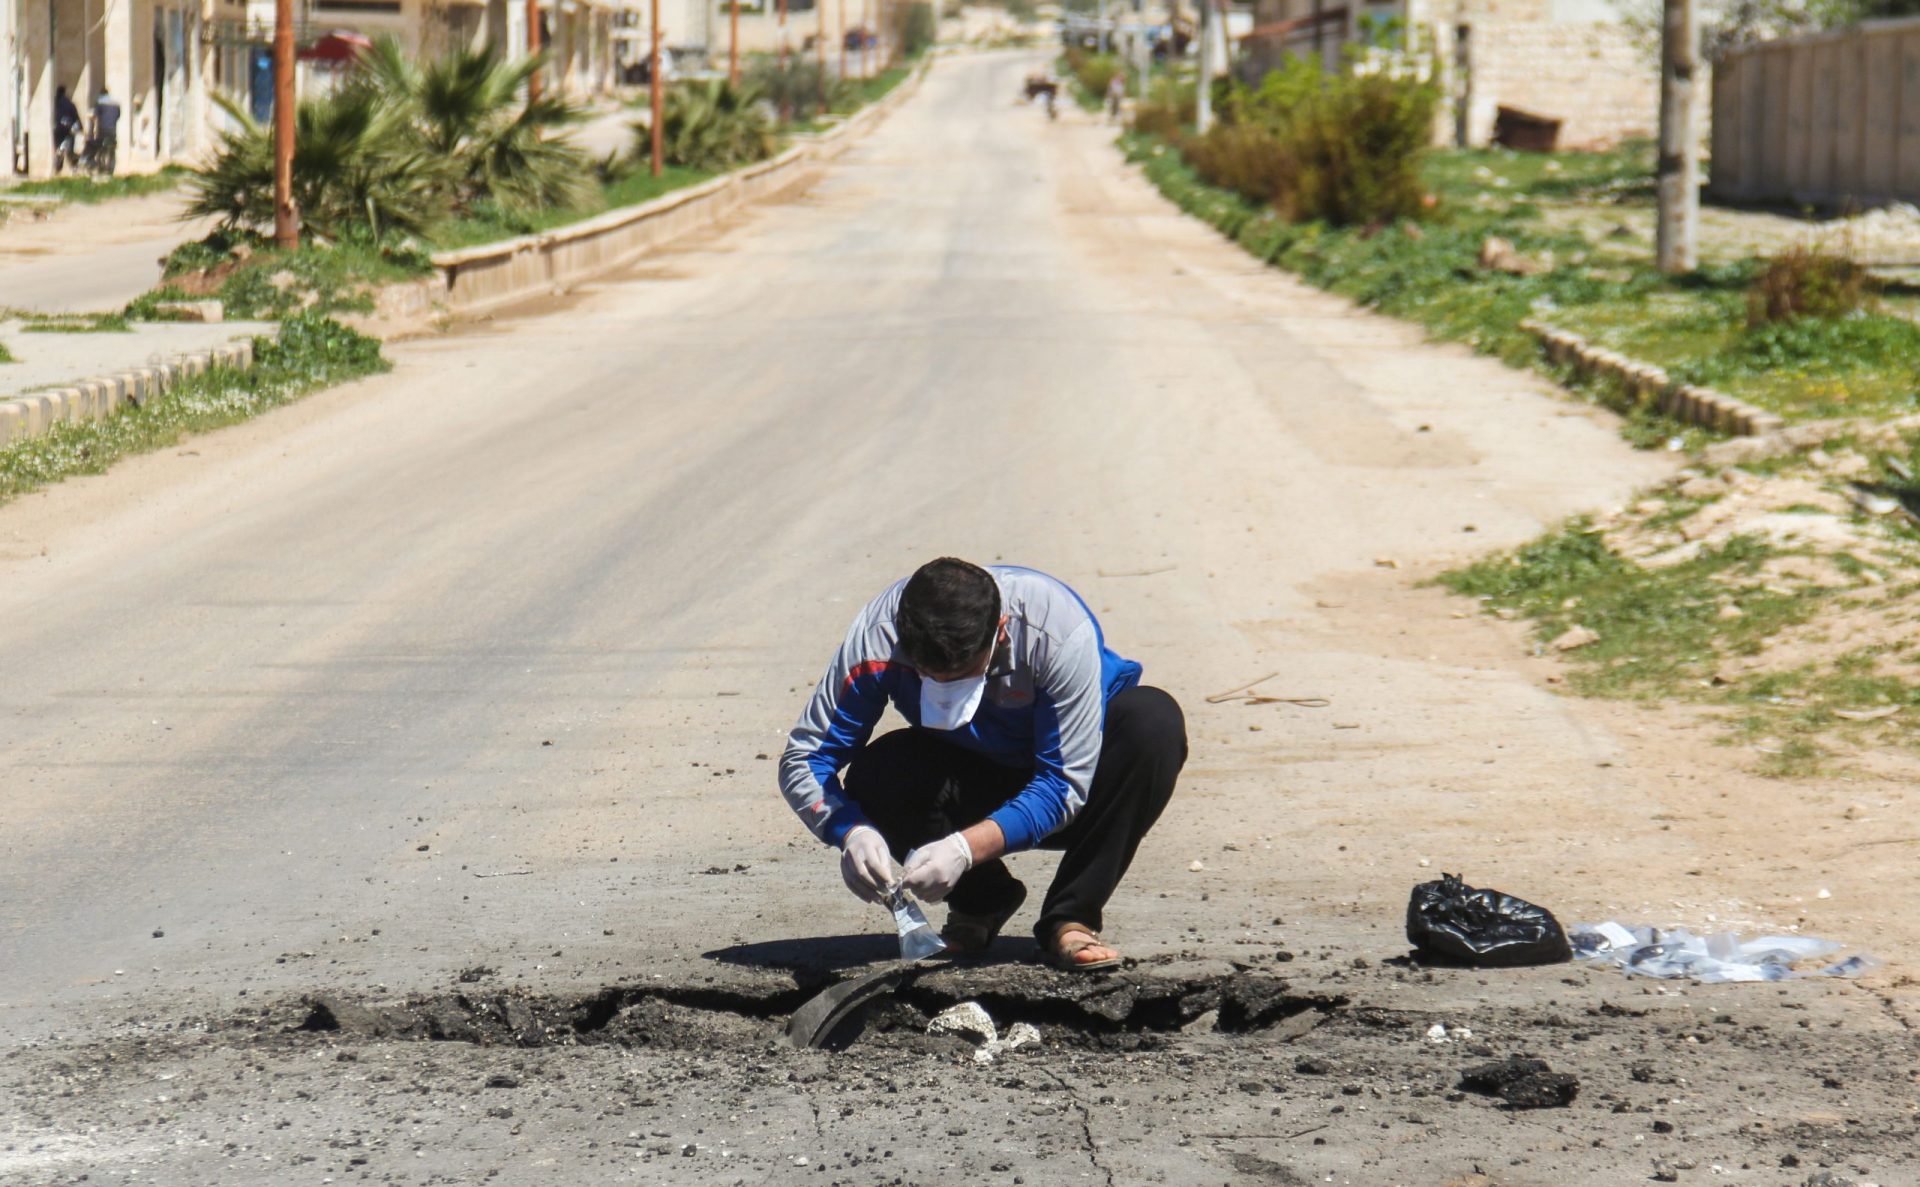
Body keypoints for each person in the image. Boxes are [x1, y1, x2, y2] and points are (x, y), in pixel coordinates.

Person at [780, 559, 1186, 972]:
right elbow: (805, 758)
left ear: (1002, 629)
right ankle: (981, 903)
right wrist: (850, 831)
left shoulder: (1056, 631)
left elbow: (1062, 784)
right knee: (881, 770)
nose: (946, 690)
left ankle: (1071, 916)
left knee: (1152, 723)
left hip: (1076, 786)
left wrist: (963, 849)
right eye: (931, 677)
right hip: (968, 774)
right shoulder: (877, 638)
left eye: (964, 675)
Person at [90, 90, 121, 175]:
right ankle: (111, 169)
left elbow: (94, 116)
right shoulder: (115, 104)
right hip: (112, 130)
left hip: (102, 130)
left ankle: (101, 167)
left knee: (100, 148)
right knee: (112, 150)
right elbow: (118, 116)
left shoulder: (99, 103)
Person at [52, 86, 82, 173]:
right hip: (69, 130)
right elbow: (76, 117)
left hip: (58, 130)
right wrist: (80, 127)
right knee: (70, 151)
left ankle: (58, 168)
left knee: (59, 149)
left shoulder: (55, 103)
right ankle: (74, 167)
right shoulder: (70, 104)